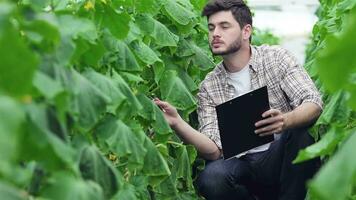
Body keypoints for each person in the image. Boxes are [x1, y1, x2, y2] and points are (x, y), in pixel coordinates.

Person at [154, 0, 323, 199]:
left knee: (300, 134)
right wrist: (176, 122)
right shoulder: (209, 86)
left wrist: (285, 120)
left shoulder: (276, 58)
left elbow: (313, 102)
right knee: (211, 178)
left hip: (280, 158)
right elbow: (214, 151)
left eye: (224, 26)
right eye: (211, 27)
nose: (215, 33)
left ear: (246, 31)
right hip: (242, 166)